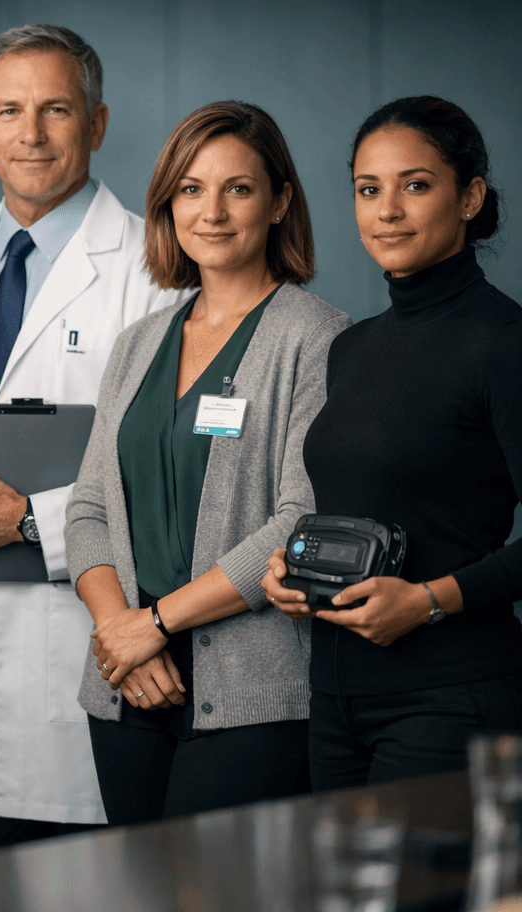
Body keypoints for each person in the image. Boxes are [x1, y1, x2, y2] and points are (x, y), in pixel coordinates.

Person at [0, 24, 180, 851]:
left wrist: (31, 520)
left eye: (56, 109)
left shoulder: (157, 269)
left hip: (90, 638)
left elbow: (174, 464)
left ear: (96, 124)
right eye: (10, 110)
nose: (30, 133)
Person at [64, 101, 350, 825]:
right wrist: (123, 632)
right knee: (133, 881)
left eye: (238, 189)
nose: (212, 212)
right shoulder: (138, 343)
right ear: (168, 204)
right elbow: (90, 506)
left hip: (252, 692)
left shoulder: (317, 338)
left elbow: (300, 523)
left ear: (279, 201)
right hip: (129, 683)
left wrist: (157, 623)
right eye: (191, 189)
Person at [263, 95, 522, 789]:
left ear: (469, 198)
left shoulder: (503, 343)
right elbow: (355, 503)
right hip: (334, 702)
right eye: (369, 190)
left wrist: (429, 600)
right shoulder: (350, 348)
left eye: (416, 185)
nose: (388, 211)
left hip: (450, 699)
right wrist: (291, 573)